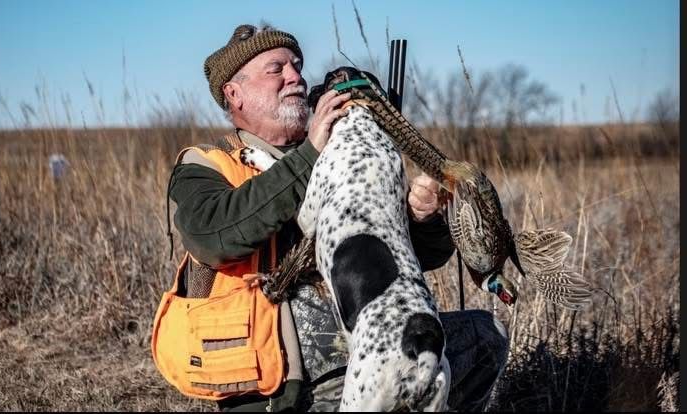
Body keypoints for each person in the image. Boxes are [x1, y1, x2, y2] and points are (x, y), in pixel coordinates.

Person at [166, 23, 509, 412]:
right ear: (235, 93)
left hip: (369, 352)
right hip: (283, 387)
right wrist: (309, 153)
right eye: (276, 69)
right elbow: (213, 236)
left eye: (297, 65)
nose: (296, 76)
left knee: (486, 336)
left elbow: (404, 262)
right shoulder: (207, 165)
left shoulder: (342, 149)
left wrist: (421, 217)